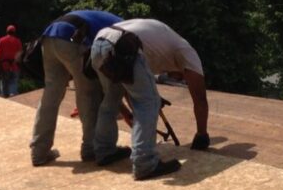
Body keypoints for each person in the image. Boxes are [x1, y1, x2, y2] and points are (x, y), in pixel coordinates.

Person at [89, 18, 208, 180]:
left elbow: (131, 88)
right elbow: (200, 98)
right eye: (181, 78)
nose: (179, 80)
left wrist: (144, 104)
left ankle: (104, 151)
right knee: (148, 103)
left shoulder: (159, 46)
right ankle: (144, 163)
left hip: (99, 43)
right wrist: (202, 135)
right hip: (124, 45)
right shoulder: (187, 52)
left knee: (111, 99)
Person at [30, 9, 122, 166]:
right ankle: (90, 148)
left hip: (49, 37)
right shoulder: (124, 29)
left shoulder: (112, 20)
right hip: (71, 37)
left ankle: (39, 151)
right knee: (88, 92)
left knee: (51, 95)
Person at [0, 24, 23, 98]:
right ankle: (13, 98)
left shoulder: (2, 40)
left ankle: (5, 101)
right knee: (14, 84)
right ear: (14, 32)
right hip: (15, 66)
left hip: (5, 67)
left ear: (7, 31)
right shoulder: (18, 41)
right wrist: (20, 66)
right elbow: (20, 55)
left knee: (4, 86)